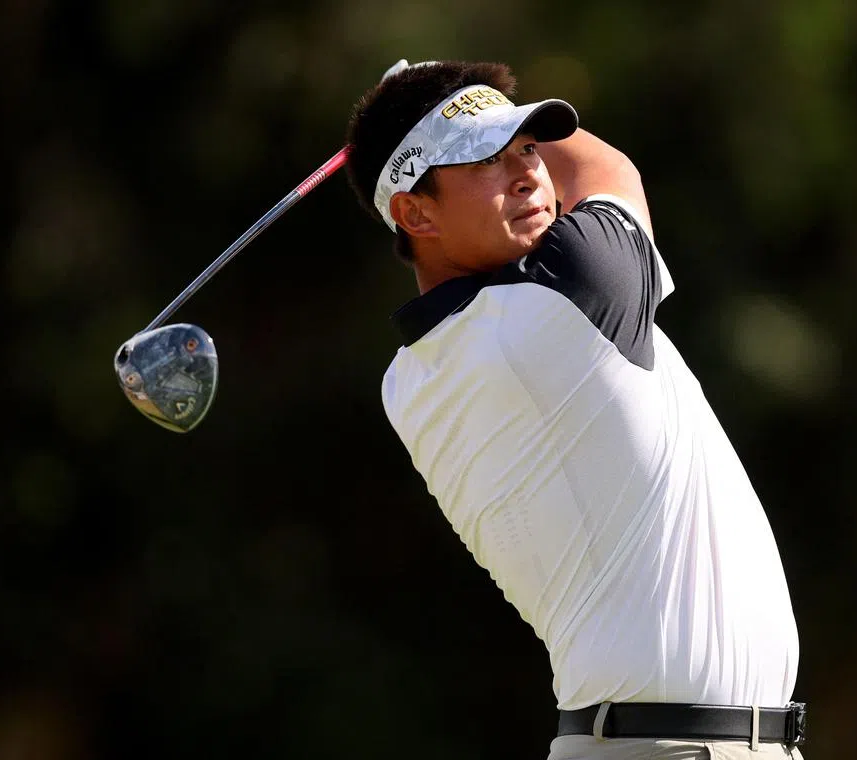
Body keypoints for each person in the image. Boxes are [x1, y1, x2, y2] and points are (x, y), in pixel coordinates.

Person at [343, 59, 807, 760]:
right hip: (670, 748)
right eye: (485, 160)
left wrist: (447, 107)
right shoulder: (562, 299)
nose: (527, 174)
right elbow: (607, 168)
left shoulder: (409, 381)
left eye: (527, 146)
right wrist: (442, 76)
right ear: (414, 213)